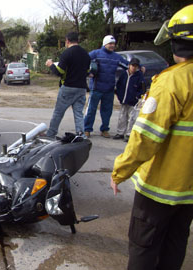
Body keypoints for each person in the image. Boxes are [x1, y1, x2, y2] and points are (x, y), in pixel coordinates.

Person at [110, 5, 193, 270]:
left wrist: (120, 170)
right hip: (189, 191)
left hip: (159, 188)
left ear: (175, 41)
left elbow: (146, 137)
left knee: (144, 247)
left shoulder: (171, 82)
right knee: (175, 244)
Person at [45, 31, 91, 138]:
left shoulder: (67, 53)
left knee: (58, 113)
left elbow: (59, 72)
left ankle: (51, 134)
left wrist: (51, 65)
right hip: (81, 88)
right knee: (78, 114)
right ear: (77, 40)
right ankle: (81, 135)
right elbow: (87, 72)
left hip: (68, 87)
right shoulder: (86, 55)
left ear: (67, 41)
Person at [84, 35, 129, 138]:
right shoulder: (96, 54)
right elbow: (83, 61)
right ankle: (87, 129)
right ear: (105, 44)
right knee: (91, 110)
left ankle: (104, 129)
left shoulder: (116, 57)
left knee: (107, 111)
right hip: (96, 88)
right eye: (110, 44)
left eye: (113, 44)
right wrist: (88, 73)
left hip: (109, 89)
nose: (112, 46)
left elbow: (127, 65)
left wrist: (139, 66)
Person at [113, 57, 146, 142]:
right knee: (122, 116)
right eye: (132, 65)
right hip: (124, 99)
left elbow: (142, 88)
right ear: (129, 66)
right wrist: (119, 95)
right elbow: (119, 85)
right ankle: (120, 132)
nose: (134, 68)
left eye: (136, 66)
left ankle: (128, 134)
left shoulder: (139, 76)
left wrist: (137, 97)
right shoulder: (124, 74)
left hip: (133, 101)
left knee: (132, 118)